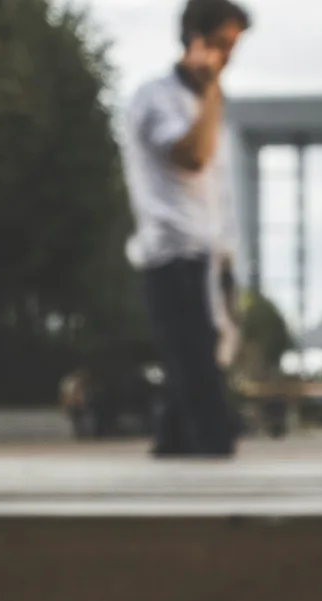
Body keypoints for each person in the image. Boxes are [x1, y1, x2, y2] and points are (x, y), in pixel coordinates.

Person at [121, 0, 251, 458]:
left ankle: (172, 448)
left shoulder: (205, 103)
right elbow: (191, 157)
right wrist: (212, 91)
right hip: (170, 254)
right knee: (200, 376)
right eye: (222, 44)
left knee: (196, 366)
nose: (229, 57)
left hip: (207, 254)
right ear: (195, 39)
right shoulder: (155, 98)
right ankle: (211, 456)